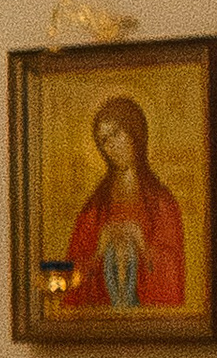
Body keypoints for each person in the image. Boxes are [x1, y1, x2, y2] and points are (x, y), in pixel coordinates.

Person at [63, 93, 186, 307]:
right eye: (104, 140)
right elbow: (71, 275)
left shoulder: (161, 202)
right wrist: (100, 250)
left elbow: (174, 271)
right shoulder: (95, 208)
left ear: (134, 132)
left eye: (116, 133)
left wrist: (142, 243)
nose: (111, 145)